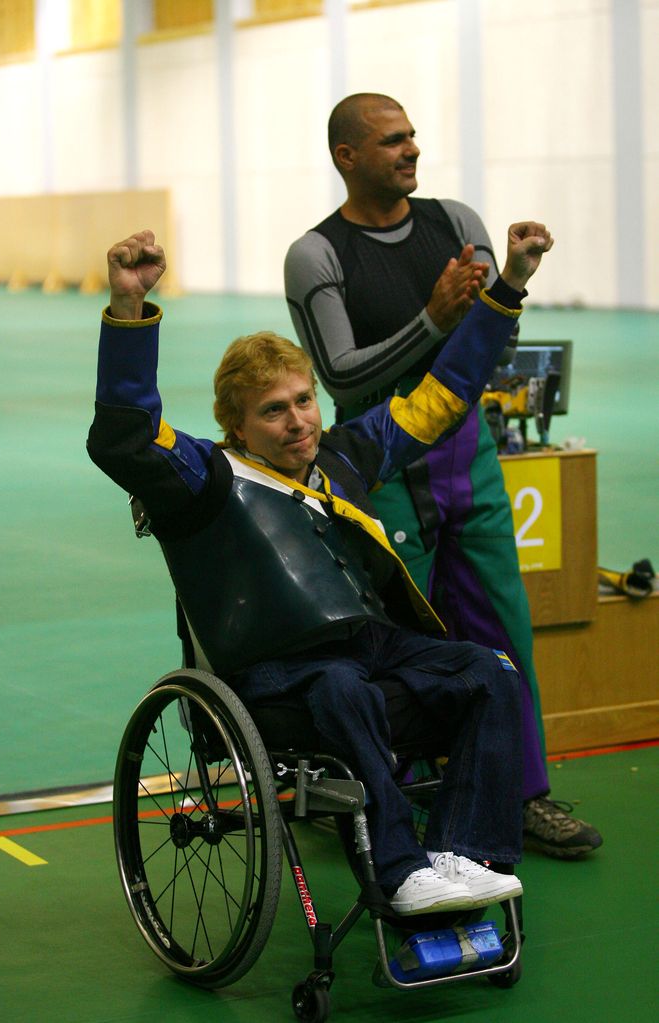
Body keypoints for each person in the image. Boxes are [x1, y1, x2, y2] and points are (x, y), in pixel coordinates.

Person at [88, 222, 550, 913]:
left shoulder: (345, 455)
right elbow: (126, 437)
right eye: (272, 412)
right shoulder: (205, 475)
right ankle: (399, 868)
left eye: (304, 400)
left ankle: (463, 852)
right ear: (236, 425)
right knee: (342, 687)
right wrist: (129, 308)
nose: (298, 421)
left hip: (369, 647)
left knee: (490, 671)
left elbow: (446, 393)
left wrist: (508, 284)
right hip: (273, 670)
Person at [284, 92, 602, 860]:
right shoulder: (316, 255)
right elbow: (340, 372)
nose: (411, 150)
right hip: (380, 460)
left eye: (413, 137)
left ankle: (524, 793)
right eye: (392, 141)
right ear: (346, 157)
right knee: (393, 641)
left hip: (470, 453)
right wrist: (431, 320)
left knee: (503, 625)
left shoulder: (456, 222)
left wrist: (511, 281)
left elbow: (493, 339)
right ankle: (375, 798)